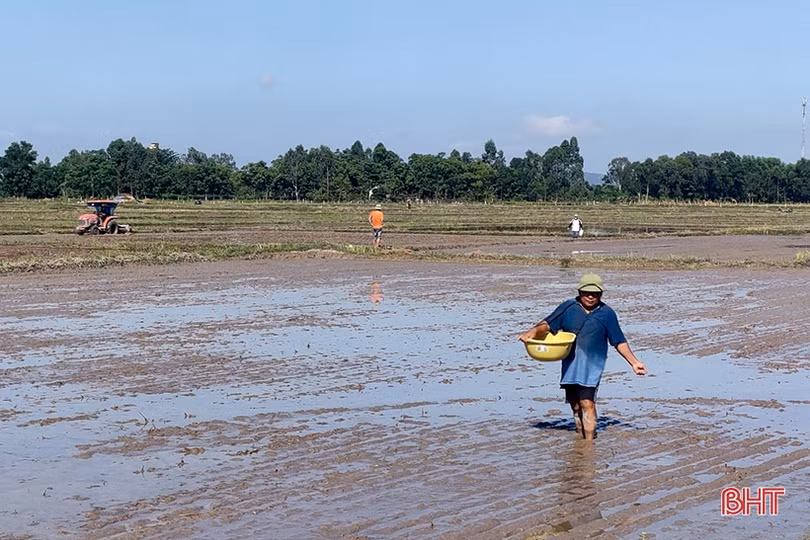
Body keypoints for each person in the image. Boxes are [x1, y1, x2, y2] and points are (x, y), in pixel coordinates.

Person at [519, 273, 647, 440]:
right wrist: (533, 332)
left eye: (595, 293)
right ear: (579, 291)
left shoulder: (607, 314)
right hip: (570, 364)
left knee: (587, 402)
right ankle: (580, 436)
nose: (590, 296)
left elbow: (619, 341)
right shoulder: (568, 307)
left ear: (601, 294)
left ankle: (589, 444)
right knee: (576, 405)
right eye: (587, 292)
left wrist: (634, 363)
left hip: (592, 365)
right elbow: (547, 325)